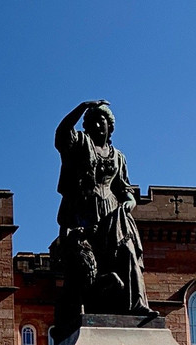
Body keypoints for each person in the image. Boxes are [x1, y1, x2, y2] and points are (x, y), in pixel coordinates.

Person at [52, 99, 155, 331]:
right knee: (87, 267)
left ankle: (137, 305)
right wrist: (82, 107)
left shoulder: (118, 156)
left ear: (110, 127)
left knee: (127, 250)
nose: (99, 125)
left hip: (112, 215)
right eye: (94, 121)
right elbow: (61, 133)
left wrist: (130, 201)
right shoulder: (80, 144)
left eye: (103, 121)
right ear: (86, 125)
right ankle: (80, 312)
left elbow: (125, 189)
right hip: (82, 215)